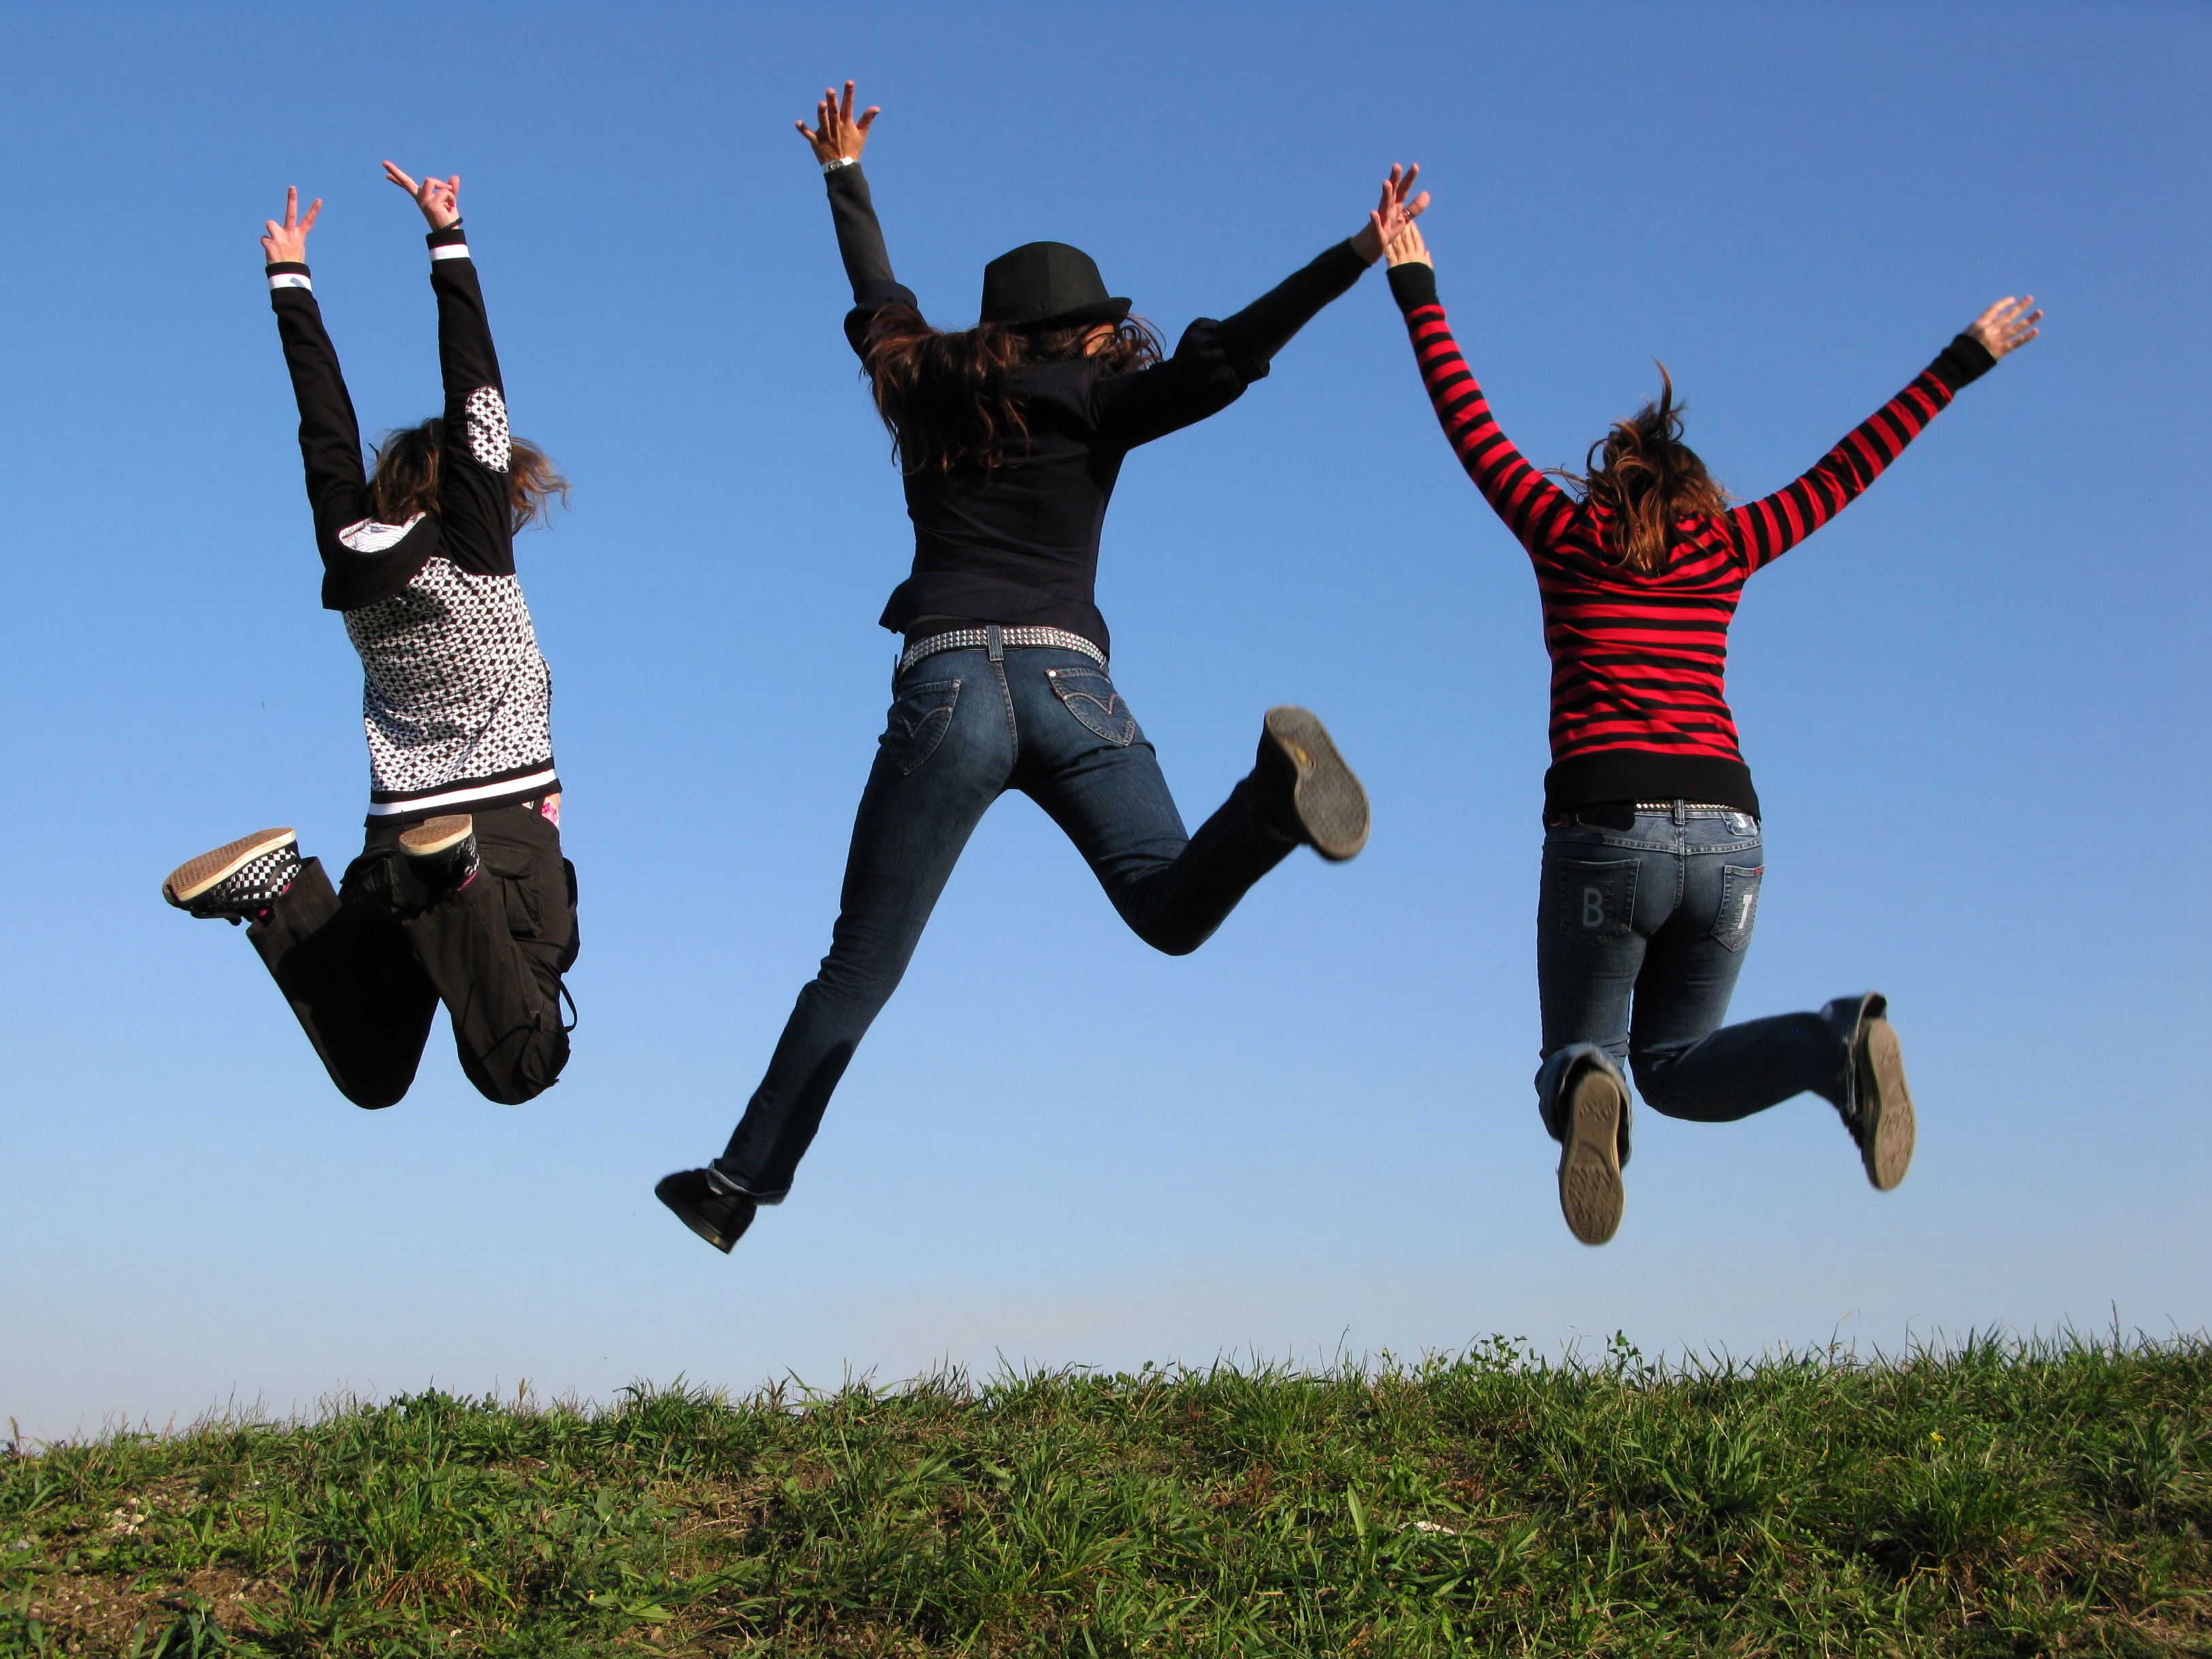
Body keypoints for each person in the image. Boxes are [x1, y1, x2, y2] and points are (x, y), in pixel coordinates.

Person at [654, 82, 1427, 1252]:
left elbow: (877, 296)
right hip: (1073, 688)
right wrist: (1355, 255)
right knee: (1170, 908)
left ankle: (735, 1185)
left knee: (856, 966)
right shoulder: (1097, 398)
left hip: (946, 685)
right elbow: (1225, 359)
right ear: (1084, 330)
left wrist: (843, 175)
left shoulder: (919, 385)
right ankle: (1269, 807)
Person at [1381, 218, 2039, 1245]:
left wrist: (1414, 283)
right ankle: (1832, 1047)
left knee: (1586, 1050)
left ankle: (1586, 1077)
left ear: (1605, 484)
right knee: (1679, 1067)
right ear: (1696, 495)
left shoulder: (1560, 534)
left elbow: (1467, 418)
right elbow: (1846, 468)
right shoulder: (1729, 546)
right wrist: (1960, 362)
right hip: (1730, 829)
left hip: (1605, 819)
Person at [161, 166, 579, 1111]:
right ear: (485, 492)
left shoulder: (348, 557)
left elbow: (324, 434)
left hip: (389, 845)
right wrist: (447, 239)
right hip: (500, 837)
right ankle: (456, 878)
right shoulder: (475, 546)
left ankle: (278, 896)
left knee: (376, 1069)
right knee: (518, 1062)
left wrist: (291, 284)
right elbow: (477, 395)